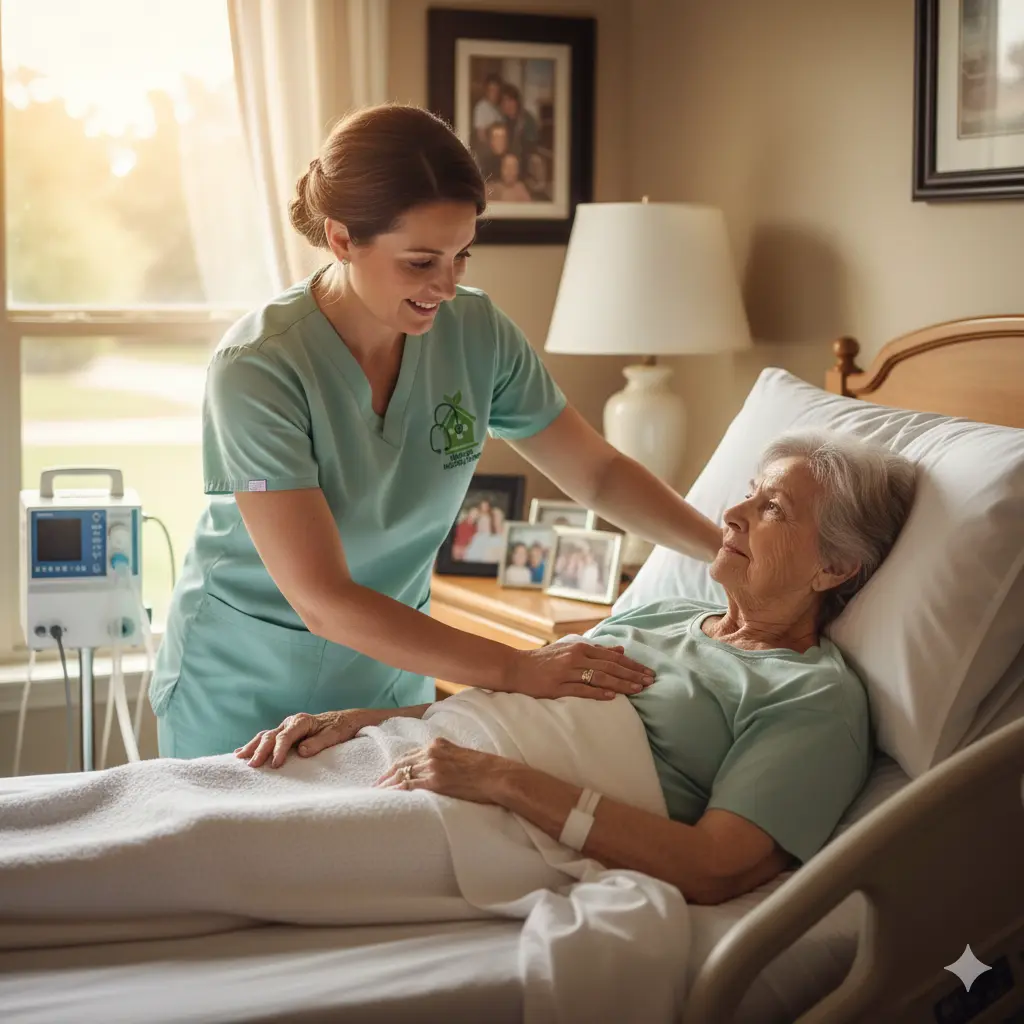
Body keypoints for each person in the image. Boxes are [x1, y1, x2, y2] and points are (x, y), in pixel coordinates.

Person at [148, 103, 722, 760]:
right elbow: (324, 599)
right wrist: (518, 670)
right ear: (341, 240)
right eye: (421, 262)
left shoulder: (477, 333)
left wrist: (722, 551)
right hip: (243, 687)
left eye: (461, 256)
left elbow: (598, 472)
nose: (446, 287)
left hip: (387, 680)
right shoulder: (258, 369)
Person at [239, 431, 917, 901]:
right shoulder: (657, 616)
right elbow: (520, 701)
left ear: (834, 567)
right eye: (748, 493)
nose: (733, 514)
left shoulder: (811, 696)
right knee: (211, 801)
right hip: (421, 755)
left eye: (772, 509)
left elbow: (715, 869)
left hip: (488, 810)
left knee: (231, 852)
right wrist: (365, 720)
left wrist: (503, 780)